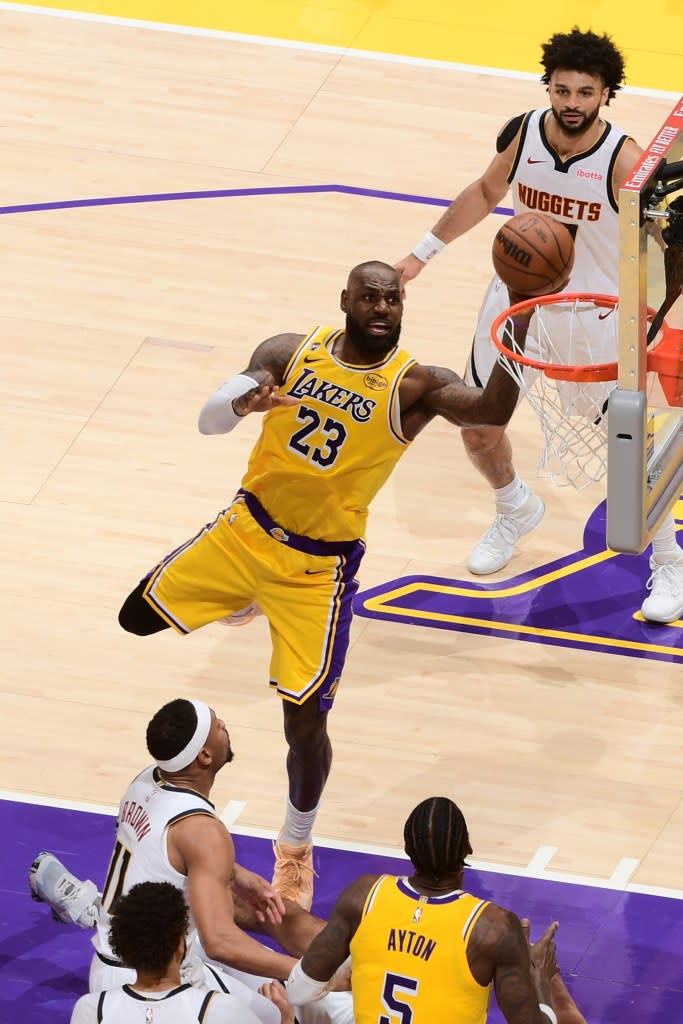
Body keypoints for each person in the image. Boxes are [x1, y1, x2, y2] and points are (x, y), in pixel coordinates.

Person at [116, 259, 536, 909]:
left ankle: (295, 847)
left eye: (392, 299)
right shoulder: (289, 352)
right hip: (243, 530)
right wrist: (238, 400)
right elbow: (212, 418)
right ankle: (243, 595)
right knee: (133, 618)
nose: (381, 308)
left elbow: (490, 409)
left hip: (317, 570)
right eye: (369, 297)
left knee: (304, 726)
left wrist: (522, 313)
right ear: (344, 299)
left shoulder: (415, 386)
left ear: (402, 306)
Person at [395, 26, 683, 623]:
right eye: (562, 89)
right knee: (477, 423)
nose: (571, 102)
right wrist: (421, 253)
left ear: (607, 94)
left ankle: (669, 561)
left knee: (628, 444)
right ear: (547, 87)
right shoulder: (523, 132)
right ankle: (513, 508)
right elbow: (484, 190)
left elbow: (662, 244)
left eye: (585, 91)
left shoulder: (623, 160)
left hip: (593, 313)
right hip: (517, 302)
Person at [29, 698, 352, 1024]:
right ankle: (88, 905)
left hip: (129, 953)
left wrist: (234, 873)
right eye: (217, 724)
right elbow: (220, 943)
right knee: (307, 1013)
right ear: (205, 755)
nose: (224, 724)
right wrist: (311, 974)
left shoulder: (147, 780)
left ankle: (88, 905)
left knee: (259, 914)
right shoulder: (203, 831)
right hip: (154, 978)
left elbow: (161, 850)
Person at [284, 796, 585, 1024]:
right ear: (467, 847)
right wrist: (540, 978)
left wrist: (359, 962)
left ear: (406, 848)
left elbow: (299, 992)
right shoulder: (491, 928)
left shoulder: (364, 895)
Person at [69, 881, 292, 1023]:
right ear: (181, 945)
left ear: (122, 950)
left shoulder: (90, 1010)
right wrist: (285, 1018)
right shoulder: (222, 1011)